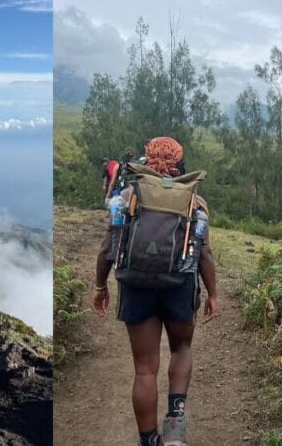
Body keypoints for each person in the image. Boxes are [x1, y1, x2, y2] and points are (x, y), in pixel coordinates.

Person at [93, 136, 218, 446]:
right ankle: (175, 425)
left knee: (145, 369)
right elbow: (204, 253)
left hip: (135, 284)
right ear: (178, 163)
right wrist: (213, 294)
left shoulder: (126, 196)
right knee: (181, 349)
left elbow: (109, 246)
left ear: (148, 159)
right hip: (180, 284)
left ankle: (149, 440)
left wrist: (100, 285)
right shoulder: (194, 201)